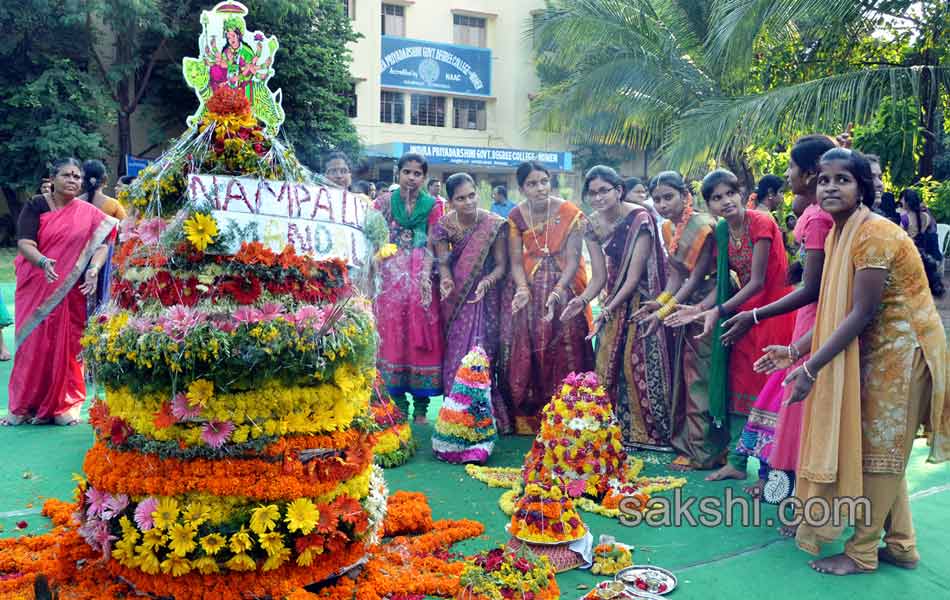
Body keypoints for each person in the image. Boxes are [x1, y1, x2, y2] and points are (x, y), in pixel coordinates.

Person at [777, 147, 949, 575]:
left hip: (905, 352)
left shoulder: (873, 233)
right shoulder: (840, 231)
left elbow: (861, 311)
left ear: (863, 187)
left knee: (882, 456)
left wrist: (811, 368)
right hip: (879, 350)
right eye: (823, 180)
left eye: (843, 179)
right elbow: (836, 309)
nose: (831, 187)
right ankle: (902, 545)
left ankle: (862, 552)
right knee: (884, 454)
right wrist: (797, 351)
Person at [717, 134, 837, 498]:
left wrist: (750, 316)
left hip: (804, 314)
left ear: (811, 173)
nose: (786, 175)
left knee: (793, 403)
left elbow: (811, 286)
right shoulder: (813, 213)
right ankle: (777, 483)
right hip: (801, 314)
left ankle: (792, 489)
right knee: (784, 401)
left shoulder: (815, 218)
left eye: (791, 168)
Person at [667, 169, 796, 482]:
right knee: (739, 392)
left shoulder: (762, 222)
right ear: (708, 205)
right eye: (716, 198)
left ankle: (771, 473)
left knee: (768, 394)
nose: (725, 202)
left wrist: (718, 310)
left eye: (729, 194)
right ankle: (738, 463)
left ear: (742, 193)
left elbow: (757, 281)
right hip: (740, 316)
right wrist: (700, 308)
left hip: (773, 314)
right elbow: (724, 280)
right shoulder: (723, 230)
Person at [2, 158, 117, 426]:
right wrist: (43, 261)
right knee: (33, 343)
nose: (73, 180)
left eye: (77, 176)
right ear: (52, 179)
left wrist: (94, 269)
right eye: (66, 175)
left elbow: (103, 244)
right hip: (37, 284)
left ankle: (64, 405)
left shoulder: (88, 212)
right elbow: (25, 243)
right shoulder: (35, 206)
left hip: (70, 290)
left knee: (68, 344)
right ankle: (23, 406)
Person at [564, 166, 672, 450]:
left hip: (644, 300)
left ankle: (649, 433)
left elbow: (634, 276)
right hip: (614, 296)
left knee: (637, 362)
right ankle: (615, 430)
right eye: (593, 192)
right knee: (608, 363)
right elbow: (599, 276)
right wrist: (583, 300)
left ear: (618, 190)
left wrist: (608, 310)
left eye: (604, 191)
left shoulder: (640, 218)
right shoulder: (590, 224)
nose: (598, 197)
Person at [634, 171, 728, 470]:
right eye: (657, 199)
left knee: (701, 377)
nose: (661, 204)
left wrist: (664, 312)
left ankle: (703, 453)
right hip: (688, 305)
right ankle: (693, 444)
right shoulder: (670, 229)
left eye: (668, 197)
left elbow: (697, 276)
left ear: (686, 196)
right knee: (688, 375)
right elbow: (677, 276)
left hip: (710, 301)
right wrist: (658, 304)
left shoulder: (701, 226)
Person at [499, 161, 594, 434]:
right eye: (532, 183)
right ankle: (532, 415)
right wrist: (522, 289)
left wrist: (557, 290)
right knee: (531, 349)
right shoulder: (516, 216)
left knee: (567, 346)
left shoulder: (569, 213)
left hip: (566, 289)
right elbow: (516, 262)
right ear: (522, 188)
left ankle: (571, 410)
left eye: (543, 181)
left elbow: (574, 260)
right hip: (530, 291)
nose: (539, 188)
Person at [433, 173, 510, 432]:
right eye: (461, 198)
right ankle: (454, 415)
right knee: (456, 352)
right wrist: (445, 280)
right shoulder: (444, 225)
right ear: (451, 201)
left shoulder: (493, 223)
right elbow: (443, 262)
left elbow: (501, 266)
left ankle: (482, 416)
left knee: (482, 351)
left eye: (472, 195)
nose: (468, 202)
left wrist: (486, 282)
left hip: (484, 297)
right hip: (455, 296)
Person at [374, 153, 444, 424]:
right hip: (390, 282)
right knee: (392, 339)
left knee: (421, 337)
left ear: (424, 178)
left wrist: (424, 278)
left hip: (420, 281)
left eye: (417, 173)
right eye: (407, 172)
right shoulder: (382, 204)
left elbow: (434, 244)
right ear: (398, 174)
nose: (412, 178)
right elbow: (374, 238)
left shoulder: (433, 205)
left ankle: (422, 408)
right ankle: (398, 403)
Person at [900, 188, 945, 297]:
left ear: (907, 202)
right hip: (923, 250)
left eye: (902, 199)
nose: (900, 202)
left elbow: (900, 236)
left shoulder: (905, 218)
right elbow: (929, 231)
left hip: (910, 251)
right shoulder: (925, 216)